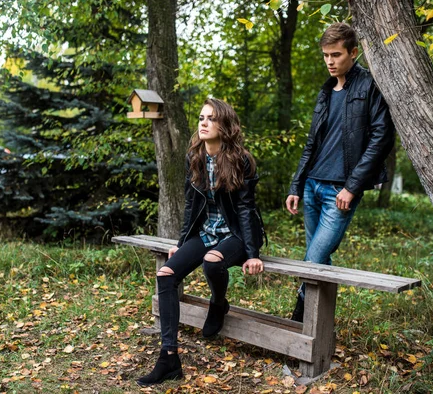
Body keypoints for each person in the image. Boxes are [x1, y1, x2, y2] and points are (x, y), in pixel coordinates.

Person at [137, 98, 266, 386]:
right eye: (201, 118)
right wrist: (183, 243)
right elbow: (190, 205)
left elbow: (246, 208)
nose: (204, 123)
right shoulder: (194, 156)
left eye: (211, 118)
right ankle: (169, 357)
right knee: (165, 274)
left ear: (225, 125)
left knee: (212, 261)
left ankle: (218, 303)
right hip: (206, 232)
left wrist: (252, 253)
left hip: (234, 234)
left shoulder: (240, 159)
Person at [285, 22, 395, 321]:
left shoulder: (370, 86)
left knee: (314, 257)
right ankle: (320, 324)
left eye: (336, 54)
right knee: (318, 259)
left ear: (353, 52)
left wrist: (352, 186)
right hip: (312, 186)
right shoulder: (325, 92)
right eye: (325, 56)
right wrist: (297, 185)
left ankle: (299, 319)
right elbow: (312, 142)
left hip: (339, 192)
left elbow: (381, 139)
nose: (330, 61)